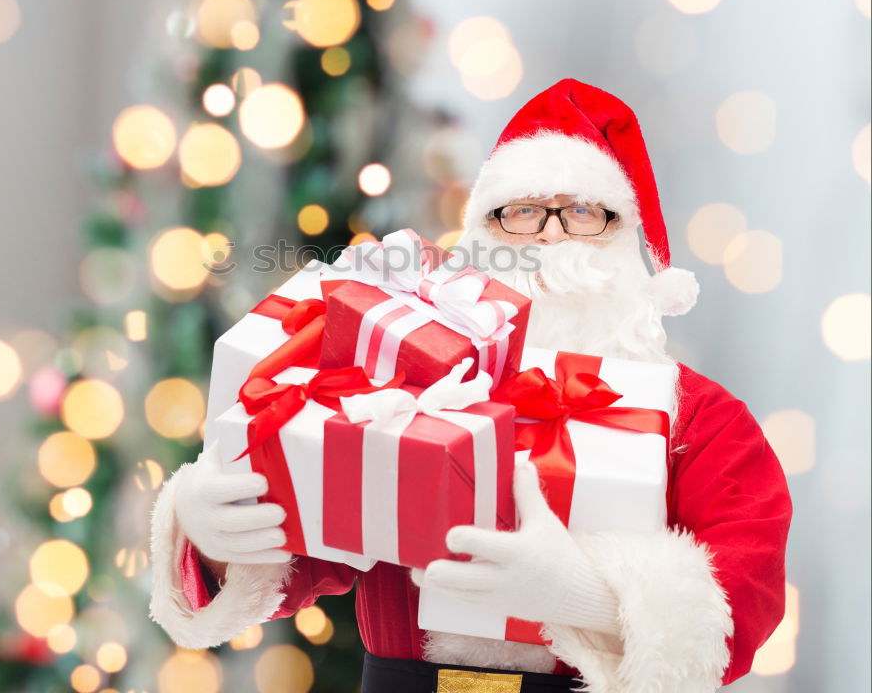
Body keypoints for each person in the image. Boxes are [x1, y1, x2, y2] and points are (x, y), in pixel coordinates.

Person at [148, 78, 792, 693]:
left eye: (585, 213)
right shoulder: (400, 382)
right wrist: (212, 530)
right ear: (482, 237)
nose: (549, 234)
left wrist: (583, 595)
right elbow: (314, 532)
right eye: (521, 212)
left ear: (631, 243)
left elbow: (747, 591)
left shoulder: (700, 417)